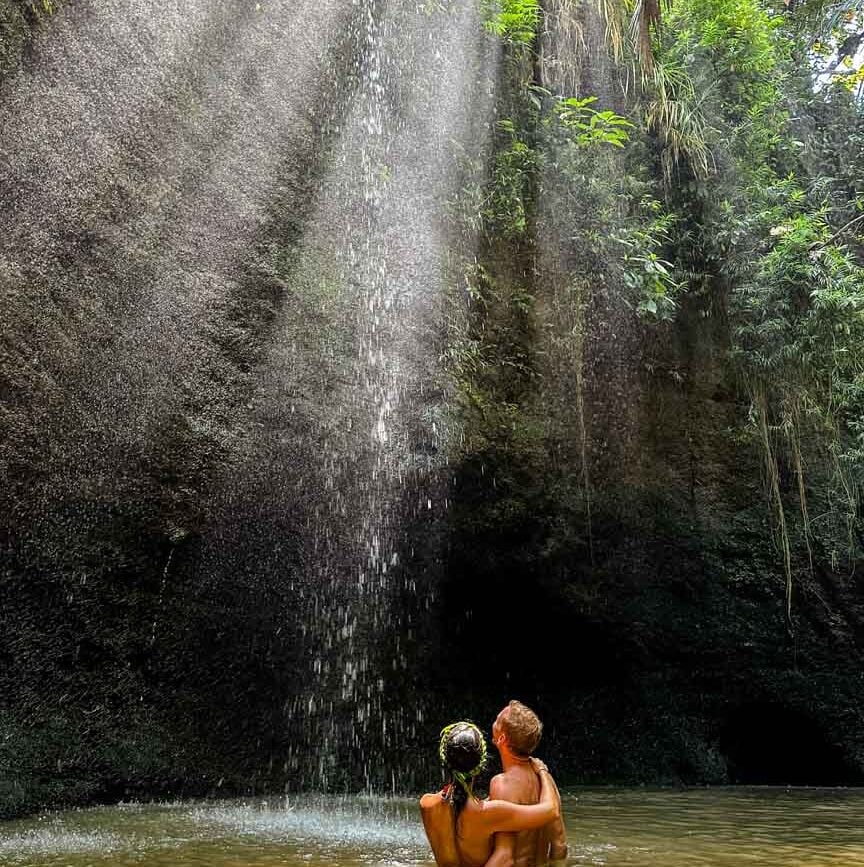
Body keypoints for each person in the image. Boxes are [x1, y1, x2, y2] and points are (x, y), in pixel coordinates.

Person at [420, 721, 560, 867]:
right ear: (480, 765)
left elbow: (456, 808)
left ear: (444, 760)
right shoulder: (490, 813)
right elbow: (551, 810)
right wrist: (542, 772)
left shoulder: (426, 804)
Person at [489, 701, 568, 867]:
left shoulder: (502, 784)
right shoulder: (546, 781)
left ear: (501, 738)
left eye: (496, 720)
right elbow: (560, 846)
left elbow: (505, 858)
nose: (492, 723)